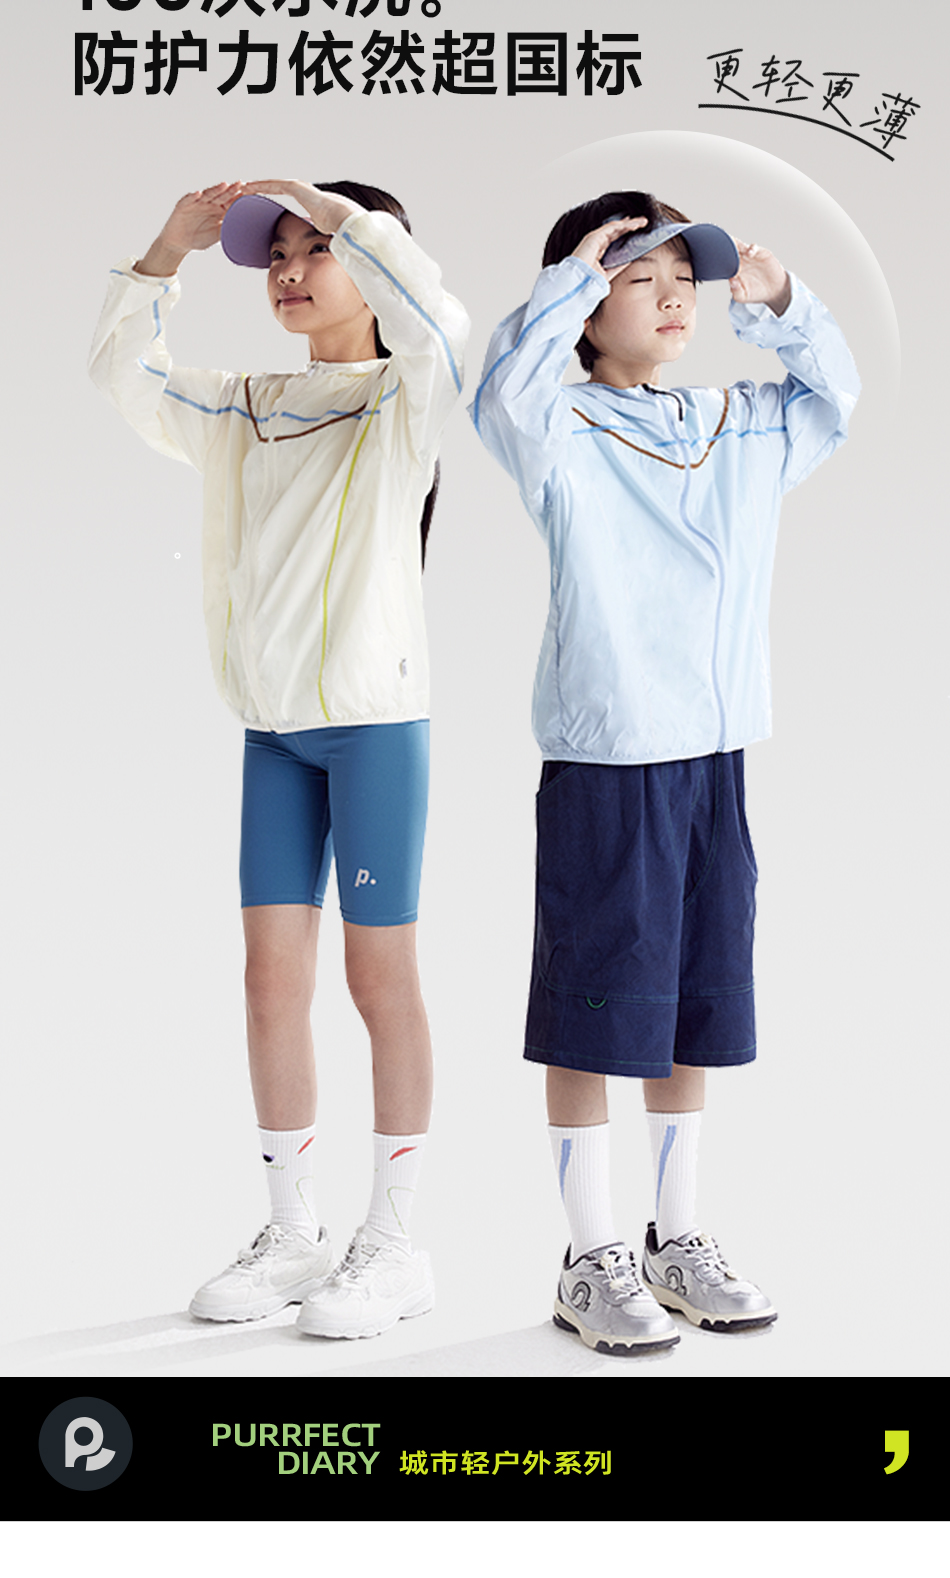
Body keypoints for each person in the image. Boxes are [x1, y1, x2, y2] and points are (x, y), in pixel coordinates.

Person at [471, 189, 859, 1354]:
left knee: (695, 1004)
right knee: (593, 1015)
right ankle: (588, 1256)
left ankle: (673, 1238)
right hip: (608, 761)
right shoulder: (556, 425)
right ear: (588, 309)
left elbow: (833, 398)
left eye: (683, 278)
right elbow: (499, 393)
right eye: (640, 279)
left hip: (715, 757)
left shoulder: (734, 420)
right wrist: (568, 280)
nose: (674, 296)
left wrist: (778, 301)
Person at [89, 177, 468, 1339]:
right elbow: (124, 374)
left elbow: (437, 317)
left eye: (317, 249)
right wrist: (165, 251)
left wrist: (336, 206)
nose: (292, 271)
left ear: (372, 258)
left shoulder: (406, 395)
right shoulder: (244, 403)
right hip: (272, 736)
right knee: (268, 980)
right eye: (277, 255)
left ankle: (392, 1241)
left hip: (373, 732)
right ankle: (292, 1231)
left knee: (377, 979)